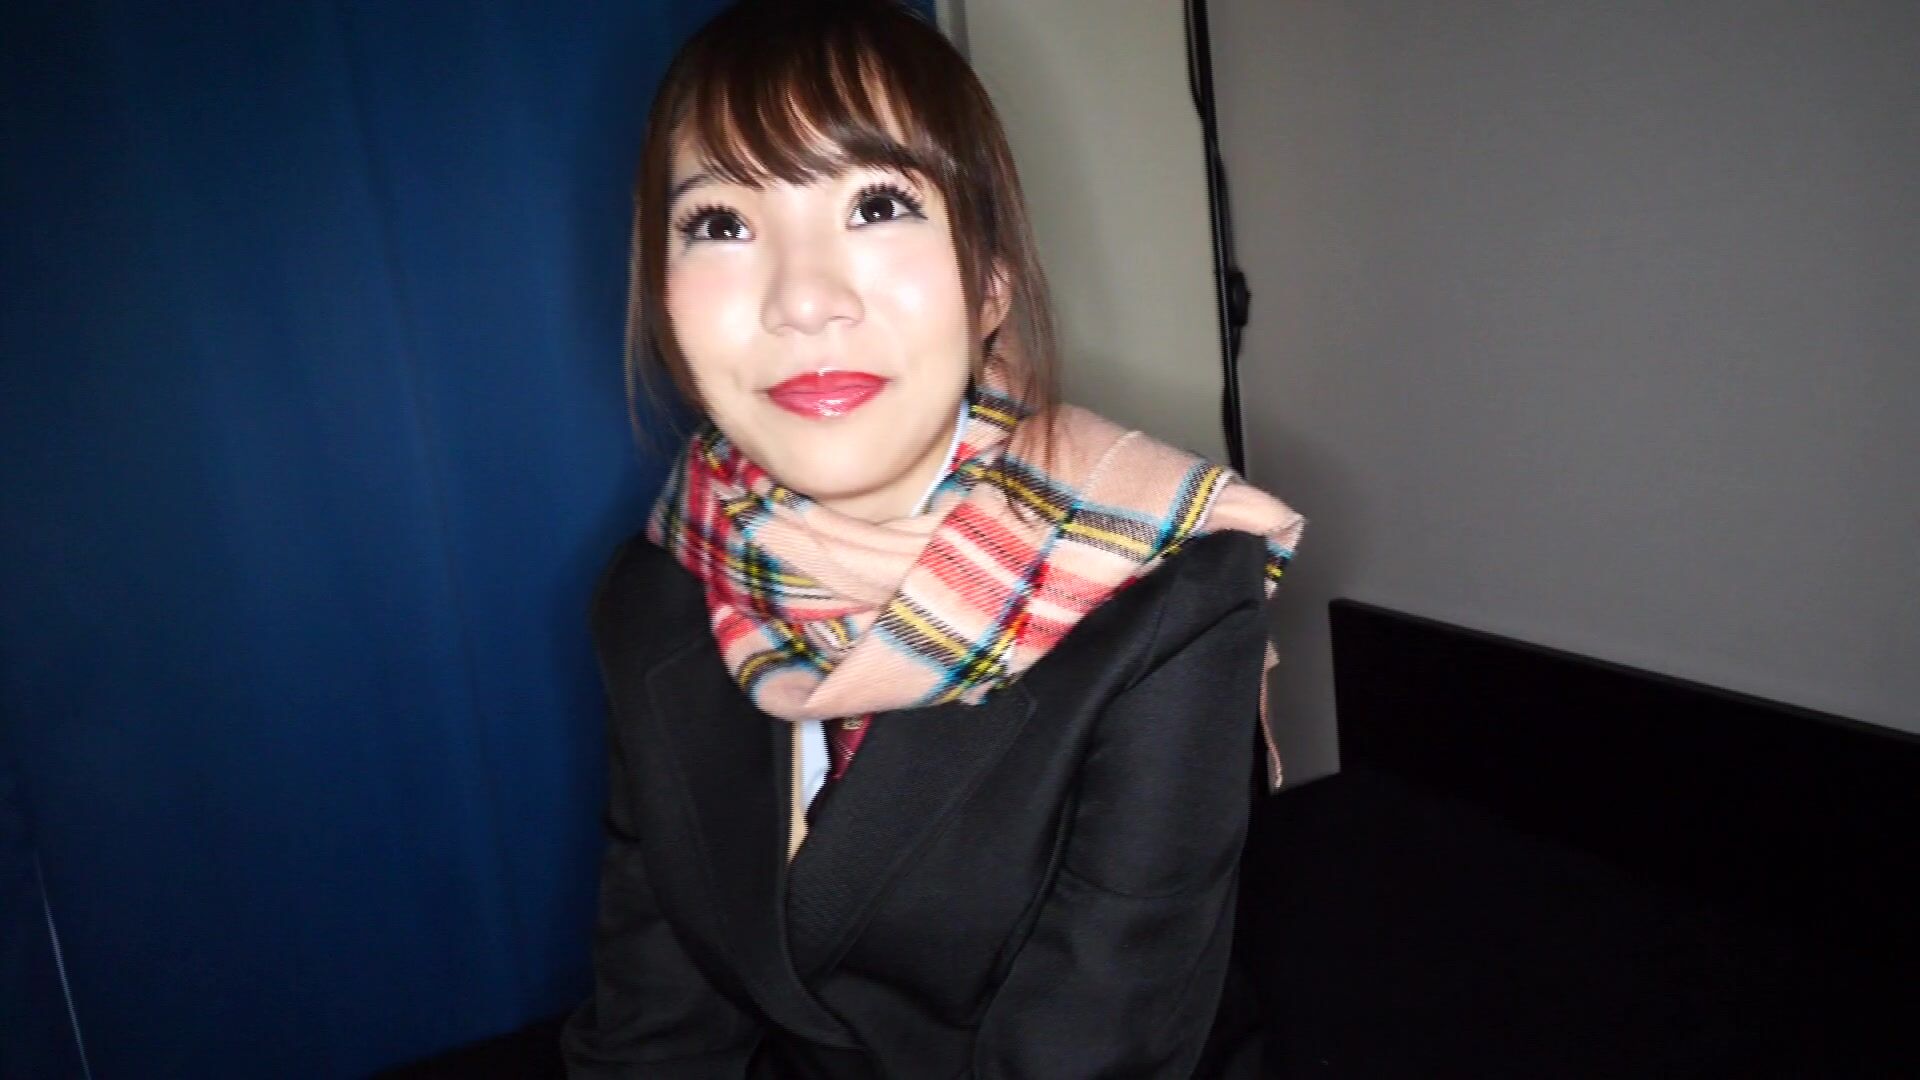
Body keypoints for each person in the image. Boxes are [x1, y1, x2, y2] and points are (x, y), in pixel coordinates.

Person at [562, 1, 1304, 1076]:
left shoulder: (1171, 596)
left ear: (990, 280)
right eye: (720, 224)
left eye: (877, 204)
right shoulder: (657, 592)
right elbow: (655, 1020)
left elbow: (1091, 1048)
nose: (804, 300)